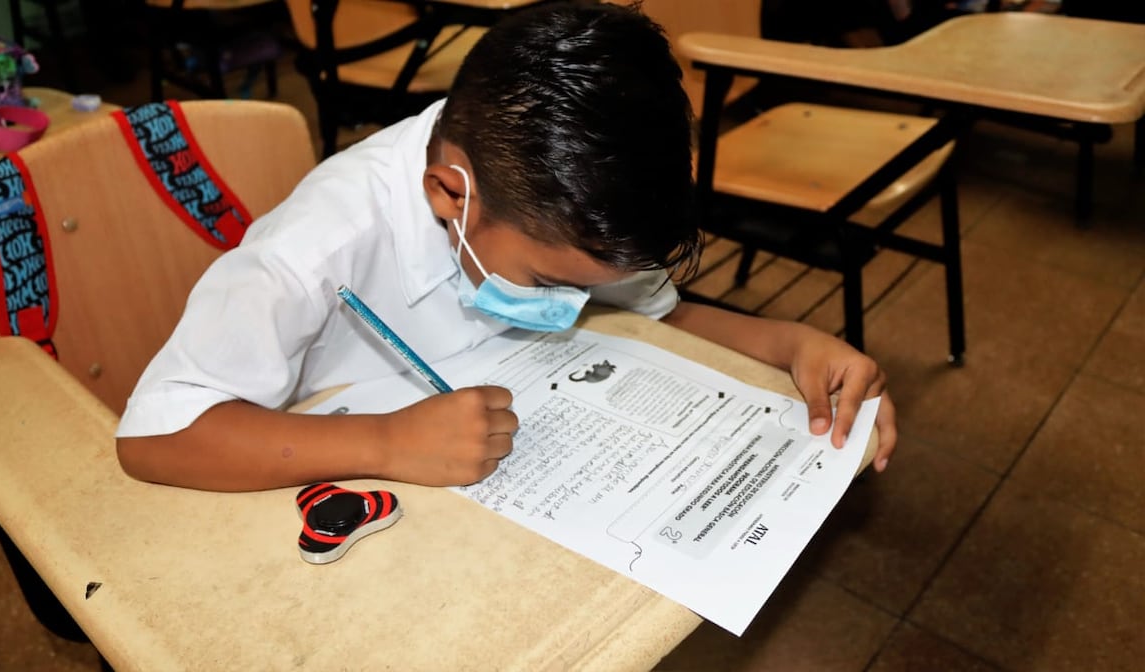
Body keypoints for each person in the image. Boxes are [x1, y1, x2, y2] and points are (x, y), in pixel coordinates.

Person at [115, 1, 897, 492]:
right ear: (450, 195)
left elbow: (656, 314)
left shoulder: (565, 205)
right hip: (325, 464)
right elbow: (155, 438)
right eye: (547, 282)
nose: (570, 306)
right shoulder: (321, 244)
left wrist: (791, 345)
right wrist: (384, 442)